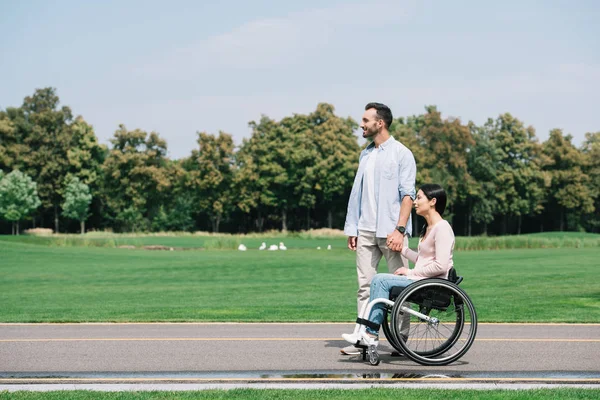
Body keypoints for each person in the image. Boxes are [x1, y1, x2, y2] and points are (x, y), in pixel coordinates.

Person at [341, 102, 416, 355]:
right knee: (365, 286)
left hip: (392, 232)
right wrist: (353, 227)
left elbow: (408, 196)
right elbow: (358, 195)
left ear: (379, 123)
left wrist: (400, 230)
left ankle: (401, 340)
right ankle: (363, 337)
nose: (361, 125)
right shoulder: (366, 154)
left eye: (365, 120)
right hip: (365, 231)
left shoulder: (402, 154)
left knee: (400, 288)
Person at [342, 184, 455, 348]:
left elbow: (441, 266)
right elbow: (424, 260)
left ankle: (370, 332)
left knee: (380, 280)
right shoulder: (429, 228)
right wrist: (402, 249)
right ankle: (367, 330)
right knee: (378, 280)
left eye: (419, 197)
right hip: (422, 280)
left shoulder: (442, 228)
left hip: (431, 284)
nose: (415, 202)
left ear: (433, 201)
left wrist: (410, 271)